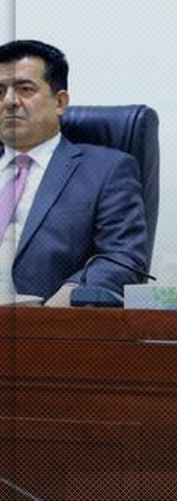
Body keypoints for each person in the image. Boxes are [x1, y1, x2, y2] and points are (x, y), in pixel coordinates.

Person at [0, 39, 149, 305]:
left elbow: (122, 257)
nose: (9, 101)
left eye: (25, 89)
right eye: (0, 91)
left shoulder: (107, 171)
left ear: (60, 102)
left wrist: (75, 291)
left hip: (46, 322)